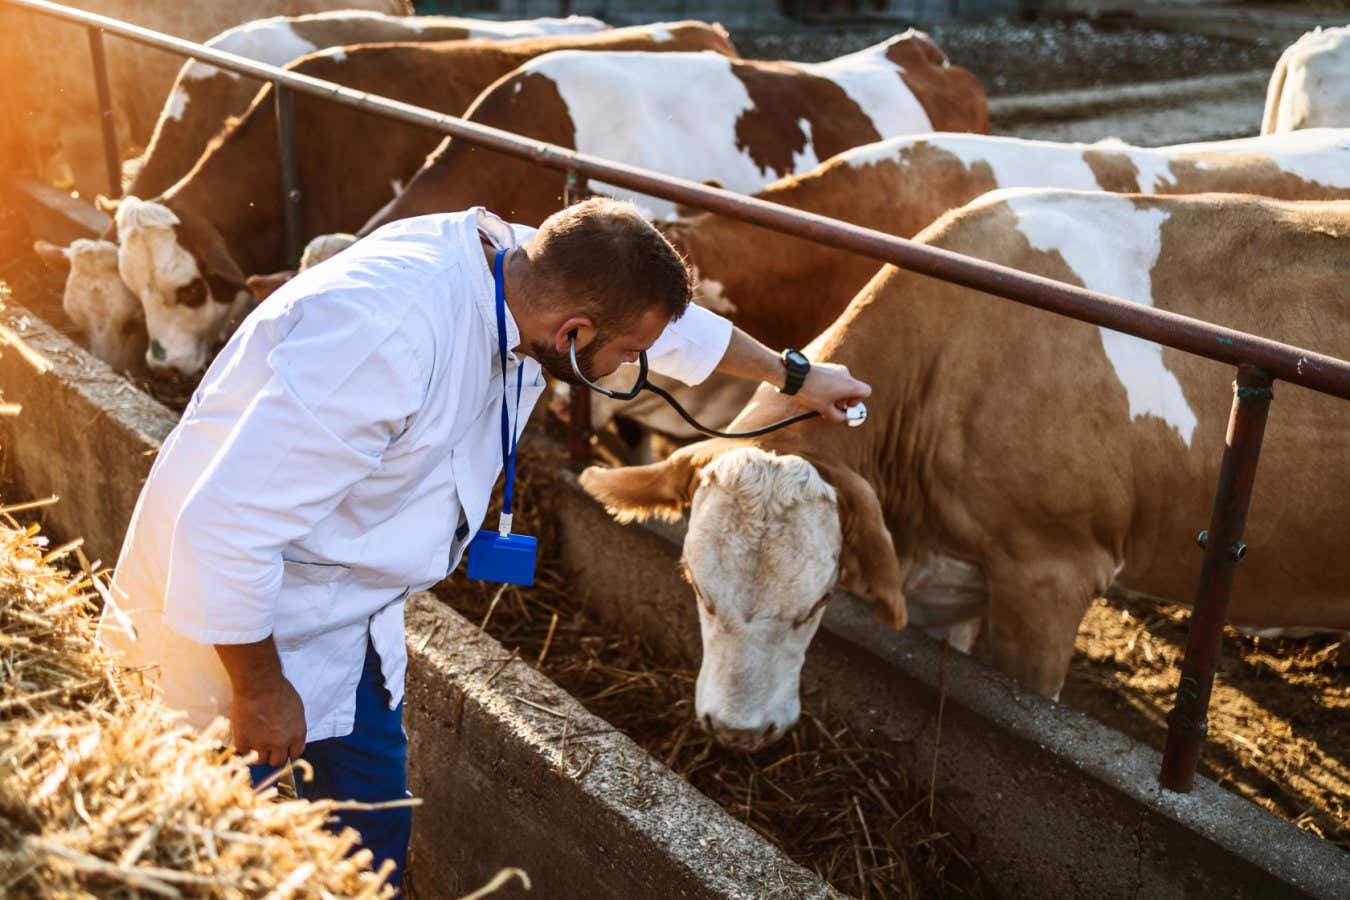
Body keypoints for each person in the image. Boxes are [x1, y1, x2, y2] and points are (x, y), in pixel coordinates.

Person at [96, 198, 871, 887]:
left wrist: (795, 375)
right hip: (237, 634)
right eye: (624, 358)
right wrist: (260, 691)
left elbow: (673, 331)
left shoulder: (528, 269)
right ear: (574, 333)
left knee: (367, 847)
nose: (634, 368)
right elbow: (224, 527)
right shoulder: (386, 339)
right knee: (234, 856)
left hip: (349, 616)